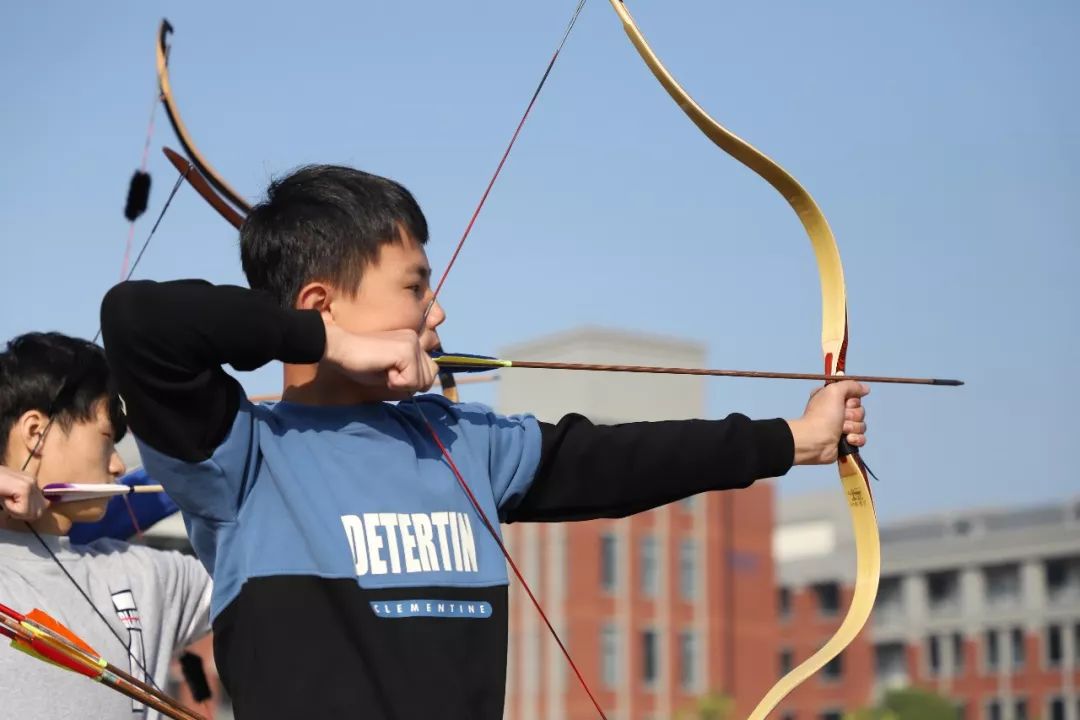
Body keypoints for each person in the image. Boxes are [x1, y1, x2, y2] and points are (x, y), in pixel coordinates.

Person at [100, 164, 869, 719]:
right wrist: (320, 341)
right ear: (318, 305)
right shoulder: (243, 458)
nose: (436, 313)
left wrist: (795, 439)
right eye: (413, 287)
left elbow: (622, 460)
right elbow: (138, 321)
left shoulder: (463, 442)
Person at [0, 332, 212, 719]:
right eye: (105, 440)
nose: (117, 466)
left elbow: (262, 576)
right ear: (36, 434)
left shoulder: (146, 574)